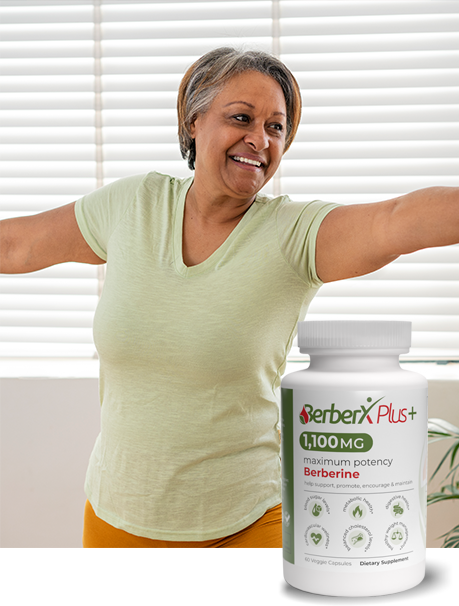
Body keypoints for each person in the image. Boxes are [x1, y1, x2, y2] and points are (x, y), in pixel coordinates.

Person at [1, 47, 458, 548]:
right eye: (241, 117)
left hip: (244, 526)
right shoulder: (133, 206)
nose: (260, 139)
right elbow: (17, 245)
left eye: (276, 127)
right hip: (115, 518)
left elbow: (396, 221)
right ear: (193, 121)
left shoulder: (294, 236)